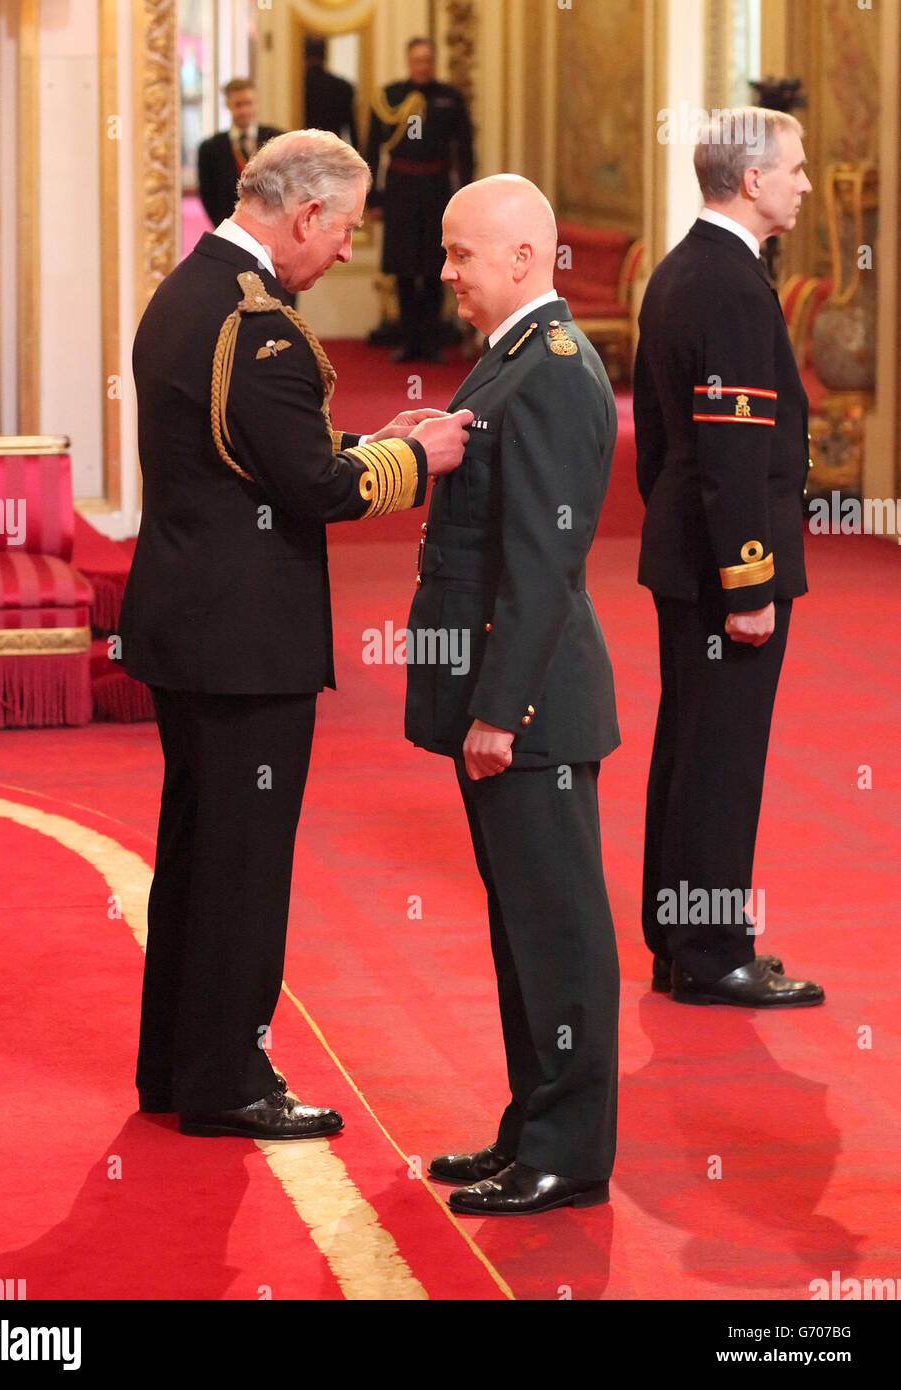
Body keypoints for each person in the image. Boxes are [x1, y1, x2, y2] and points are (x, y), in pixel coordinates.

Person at [119, 130, 472, 1141]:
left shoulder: (190, 290)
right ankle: (229, 1080)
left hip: (187, 622)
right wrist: (417, 461)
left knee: (194, 853)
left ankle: (177, 1064)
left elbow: (264, 454)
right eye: (346, 229)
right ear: (306, 214)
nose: (348, 251)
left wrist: (372, 441)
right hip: (243, 639)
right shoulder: (258, 325)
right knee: (240, 863)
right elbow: (310, 485)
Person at [405, 175, 621, 1215]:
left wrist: (498, 709)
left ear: (524, 259)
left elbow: (541, 563)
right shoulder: (509, 361)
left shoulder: (551, 370)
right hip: (513, 697)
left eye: (461, 253)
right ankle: (530, 1123)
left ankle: (568, 1151)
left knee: (558, 930)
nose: (444, 272)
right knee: (520, 927)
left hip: (532, 707)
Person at [634, 107, 825, 1007]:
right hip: (727, 572)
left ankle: (679, 941)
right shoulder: (733, 286)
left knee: (689, 745)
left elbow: (658, 447)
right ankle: (711, 952)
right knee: (720, 760)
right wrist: (749, 581)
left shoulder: (682, 269)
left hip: (687, 555)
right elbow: (731, 454)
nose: (803, 182)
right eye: (793, 168)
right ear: (750, 180)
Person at [364, 37, 474, 362]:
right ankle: (408, 340)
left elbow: (464, 149)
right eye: (417, 60)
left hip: (437, 188)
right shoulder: (390, 97)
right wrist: (374, 197)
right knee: (403, 268)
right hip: (400, 188)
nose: (422, 66)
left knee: (435, 265)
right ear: (408, 61)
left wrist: (466, 194)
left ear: (433, 62)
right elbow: (373, 148)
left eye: (427, 60)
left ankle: (431, 341)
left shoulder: (450, 98)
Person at [196, 78, 284, 228]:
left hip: (271, 223)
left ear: (256, 104)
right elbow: (208, 195)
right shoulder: (210, 148)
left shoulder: (277, 139)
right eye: (238, 105)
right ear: (228, 105)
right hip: (229, 225)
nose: (244, 110)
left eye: (248, 103)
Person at [304, 36, 358, 147]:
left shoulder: (297, 87)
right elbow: (351, 128)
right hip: (333, 145)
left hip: (304, 146)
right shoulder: (343, 86)